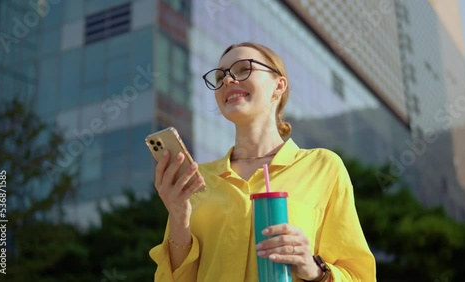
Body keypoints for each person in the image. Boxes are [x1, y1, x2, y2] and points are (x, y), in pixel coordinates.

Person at [149, 42, 376, 281]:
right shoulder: (197, 180)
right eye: (220, 76)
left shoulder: (323, 167)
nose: (227, 80)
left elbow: (359, 275)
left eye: (242, 69)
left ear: (278, 86)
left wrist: (313, 269)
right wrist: (178, 218)